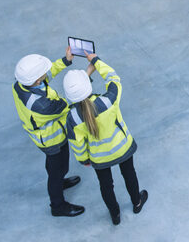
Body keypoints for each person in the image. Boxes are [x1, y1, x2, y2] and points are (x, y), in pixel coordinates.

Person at [63, 51, 148, 225]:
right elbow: (113, 78)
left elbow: (77, 145)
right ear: (88, 86)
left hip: (99, 157)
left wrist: (84, 159)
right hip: (122, 148)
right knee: (129, 174)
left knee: (106, 185)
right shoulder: (108, 101)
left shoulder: (72, 118)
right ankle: (137, 202)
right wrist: (96, 61)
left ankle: (115, 215)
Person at [12, 47, 85, 217]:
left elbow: (47, 74)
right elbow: (69, 106)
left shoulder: (23, 84)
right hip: (52, 140)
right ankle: (57, 205)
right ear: (37, 80)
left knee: (59, 168)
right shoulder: (41, 106)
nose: (46, 73)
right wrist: (83, 86)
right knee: (56, 170)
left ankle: (60, 181)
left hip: (52, 135)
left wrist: (65, 60)